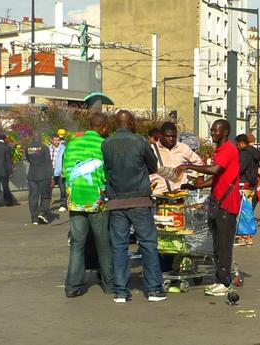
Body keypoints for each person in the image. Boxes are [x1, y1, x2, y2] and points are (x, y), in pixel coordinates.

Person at [102, 110, 166, 303]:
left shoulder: (106, 144)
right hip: (139, 200)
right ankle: (154, 289)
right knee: (147, 243)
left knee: (119, 246)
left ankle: (121, 291)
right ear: (130, 122)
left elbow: (108, 167)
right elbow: (153, 166)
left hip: (116, 201)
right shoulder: (140, 141)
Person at [176, 119, 240, 297]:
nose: (212, 133)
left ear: (225, 132)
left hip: (227, 205)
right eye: (212, 130)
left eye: (215, 131)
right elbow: (219, 176)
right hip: (218, 202)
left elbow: (214, 169)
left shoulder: (228, 149)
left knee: (224, 245)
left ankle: (225, 282)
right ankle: (220, 279)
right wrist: (199, 186)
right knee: (217, 244)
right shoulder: (220, 150)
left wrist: (188, 165)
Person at [62, 112, 113, 298]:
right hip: (97, 201)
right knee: (103, 243)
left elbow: (65, 171)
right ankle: (109, 284)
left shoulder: (72, 144)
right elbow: (107, 172)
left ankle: (72, 286)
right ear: (103, 127)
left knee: (77, 244)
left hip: (75, 200)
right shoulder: (103, 144)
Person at [150, 121, 203, 195]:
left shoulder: (183, 148)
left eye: (174, 136)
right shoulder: (151, 150)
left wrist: (192, 176)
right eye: (168, 136)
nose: (171, 139)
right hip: (158, 195)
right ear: (160, 135)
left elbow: (198, 162)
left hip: (180, 194)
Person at [235, 133, 260, 246]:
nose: (237, 147)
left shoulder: (244, 153)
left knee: (242, 211)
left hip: (243, 184)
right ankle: (249, 236)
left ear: (241, 143)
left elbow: (239, 169)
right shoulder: (255, 153)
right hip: (251, 185)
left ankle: (243, 236)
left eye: (237, 145)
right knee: (248, 211)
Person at [25, 132, 54, 225]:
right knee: (45, 195)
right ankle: (41, 212)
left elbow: (28, 159)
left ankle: (34, 219)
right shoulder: (44, 147)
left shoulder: (28, 147)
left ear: (32, 138)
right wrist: (51, 176)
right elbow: (48, 162)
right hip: (43, 175)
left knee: (33, 197)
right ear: (40, 138)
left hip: (32, 175)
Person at [49, 133, 67, 212]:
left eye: (58, 140)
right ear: (51, 140)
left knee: (63, 189)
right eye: (55, 140)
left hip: (60, 171)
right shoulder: (48, 148)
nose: (57, 142)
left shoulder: (63, 148)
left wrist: (64, 170)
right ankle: (47, 204)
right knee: (48, 189)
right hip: (50, 171)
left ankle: (63, 204)